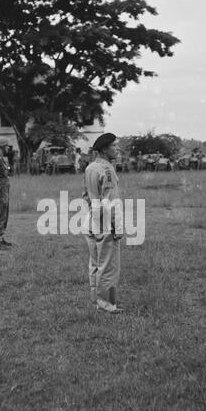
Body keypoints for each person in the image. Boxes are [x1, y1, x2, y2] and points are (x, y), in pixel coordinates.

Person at [83, 133, 123, 314]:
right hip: (105, 223)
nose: (117, 149)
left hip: (92, 220)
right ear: (105, 150)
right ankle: (107, 304)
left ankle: (96, 301)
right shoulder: (107, 170)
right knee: (108, 265)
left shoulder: (90, 167)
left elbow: (86, 195)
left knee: (95, 264)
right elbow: (110, 201)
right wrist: (117, 225)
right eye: (114, 146)